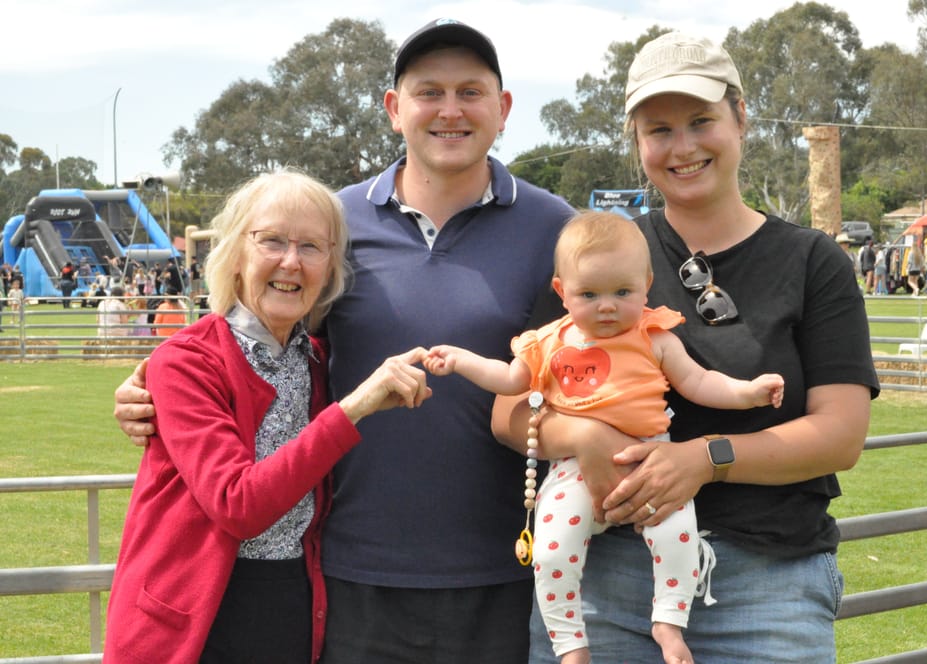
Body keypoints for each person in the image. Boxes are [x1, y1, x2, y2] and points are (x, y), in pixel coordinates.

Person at [113, 18, 575, 664]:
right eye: (428, 92)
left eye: (470, 92)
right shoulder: (332, 222)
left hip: (502, 574)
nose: (449, 110)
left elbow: (590, 362)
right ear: (394, 109)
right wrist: (148, 382)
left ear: (502, 110)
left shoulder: (556, 227)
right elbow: (254, 335)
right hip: (350, 578)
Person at [490, 32, 878, 664]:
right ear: (637, 143)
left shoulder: (812, 262)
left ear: (741, 117)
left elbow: (841, 435)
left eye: (701, 121)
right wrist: (582, 438)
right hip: (603, 577)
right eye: (659, 130)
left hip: (766, 582)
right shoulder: (596, 256)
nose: (683, 147)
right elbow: (510, 412)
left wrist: (704, 458)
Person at [423, 211, 784, 664]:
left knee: (679, 536)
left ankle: (669, 624)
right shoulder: (548, 341)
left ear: (646, 283)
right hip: (574, 470)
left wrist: (747, 392)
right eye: (589, 294)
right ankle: (570, 644)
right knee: (552, 554)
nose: (608, 306)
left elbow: (700, 382)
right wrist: (461, 361)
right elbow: (510, 379)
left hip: (650, 462)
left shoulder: (653, 334)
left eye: (622, 292)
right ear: (562, 291)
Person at [103, 168, 432, 663]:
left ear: (331, 268)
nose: (291, 262)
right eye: (271, 241)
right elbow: (240, 505)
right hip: (195, 622)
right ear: (236, 253)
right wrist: (355, 407)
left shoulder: (317, 358)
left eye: (312, 248)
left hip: (292, 609)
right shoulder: (186, 361)